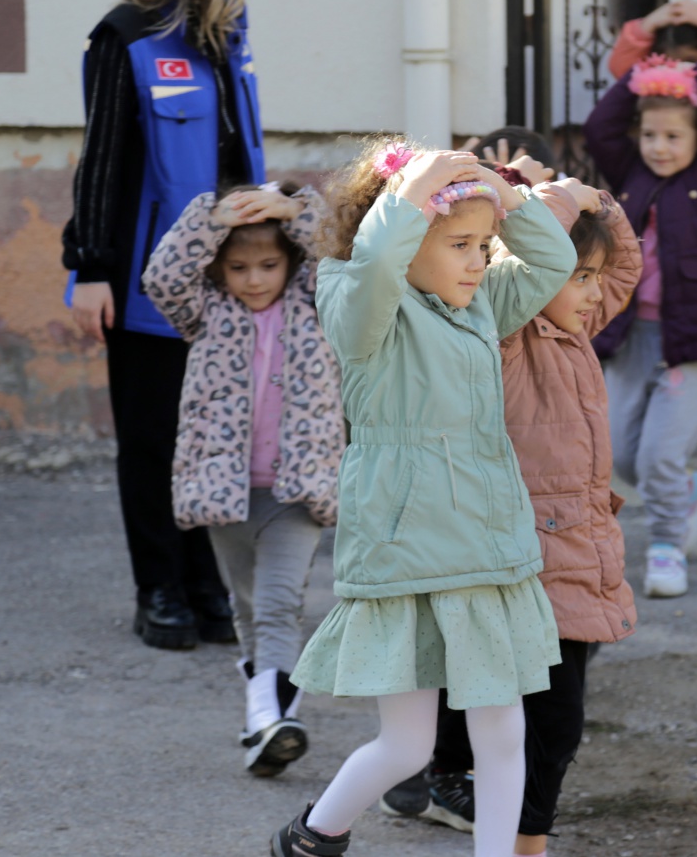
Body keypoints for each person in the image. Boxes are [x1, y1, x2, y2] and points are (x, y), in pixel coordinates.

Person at [270, 141, 577, 857]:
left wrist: (510, 197)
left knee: (503, 734)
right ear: (403, 236)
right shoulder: (360, 304)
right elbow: (375, 269)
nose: (479, 260)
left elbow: (553, 265)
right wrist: (411, 196)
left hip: (485, 550)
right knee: (406, 744)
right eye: (461, 244)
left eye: (485, 244)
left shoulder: (476, 307)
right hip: (405, 552)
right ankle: (314, 833)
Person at [389, 173, 643, 854]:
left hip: (578, 550)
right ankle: (516, 831)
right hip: (526, 554)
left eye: (593, 279)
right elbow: (536, 259)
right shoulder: (499, 329)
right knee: (546, 721)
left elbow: (622, 268)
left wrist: (600, 202)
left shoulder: (575, 329)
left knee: (535, 715)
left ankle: (483, 805)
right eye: (576, 275)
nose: (593, 291)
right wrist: (554, 200)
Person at [62, 0, 265, 651]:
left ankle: (205, 580)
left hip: (227, 277)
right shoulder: (130, 35)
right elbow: (103, 162)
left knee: (215, 435)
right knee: (152, 438)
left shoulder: (228, 38)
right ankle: (160, 588)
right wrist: (89, 268)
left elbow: (235, 159)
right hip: (147, 281)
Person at [141, 181, 341, 777]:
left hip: (297, 490)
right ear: (219, 267)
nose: (255, 279)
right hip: (223, 489)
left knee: (280, 604)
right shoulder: (205, 311)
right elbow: (162, 277)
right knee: (248, 607)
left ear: (291, 263)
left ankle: (269, 720)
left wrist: (293, 209)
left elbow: (340, 250)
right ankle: (266, 725)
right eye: (239, 267)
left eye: (269, 265)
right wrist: (211, 215)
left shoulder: (315, 299)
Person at [584, 56, 697, 599]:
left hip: (693, 340)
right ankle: (684, 490)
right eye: (650, 135)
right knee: (614, 451)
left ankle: (666, 547)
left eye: (674, 136)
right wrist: (641, 68)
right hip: (632, 337)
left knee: (660, 455)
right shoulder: (631, 177)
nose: (660, 147)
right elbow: (599, 128)